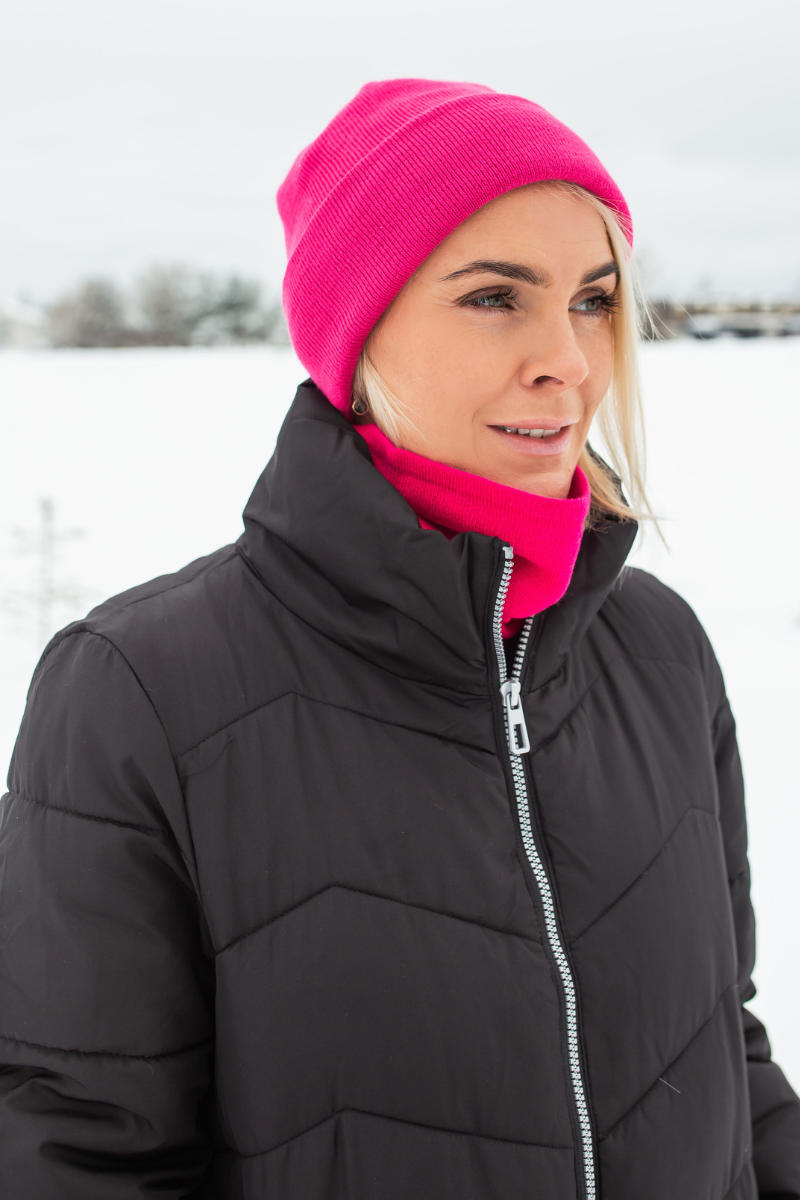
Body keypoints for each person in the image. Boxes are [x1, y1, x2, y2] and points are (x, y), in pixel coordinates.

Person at [0, 78, 798, 1200]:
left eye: (592, 300)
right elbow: (81, 1151)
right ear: (357, 325)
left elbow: (721, 1047)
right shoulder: (141, 689)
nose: (569, 359)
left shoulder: (659, 649)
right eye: (494, 297)